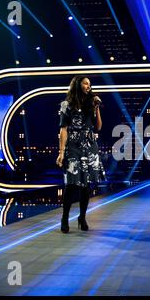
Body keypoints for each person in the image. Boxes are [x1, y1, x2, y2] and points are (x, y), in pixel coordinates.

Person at [56, 76, 103, 233]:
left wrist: (96, 108)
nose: (88, 86)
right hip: (73, 145)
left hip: (89, 145)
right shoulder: (66, 105)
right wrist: (61, 152)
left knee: (86, 185)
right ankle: (64, 217)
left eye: (89, 84)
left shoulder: (91, 103)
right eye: (85, 83)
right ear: (77, 85)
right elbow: (63, 129)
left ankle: (82, 217)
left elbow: (98, 127)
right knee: (71, 184)